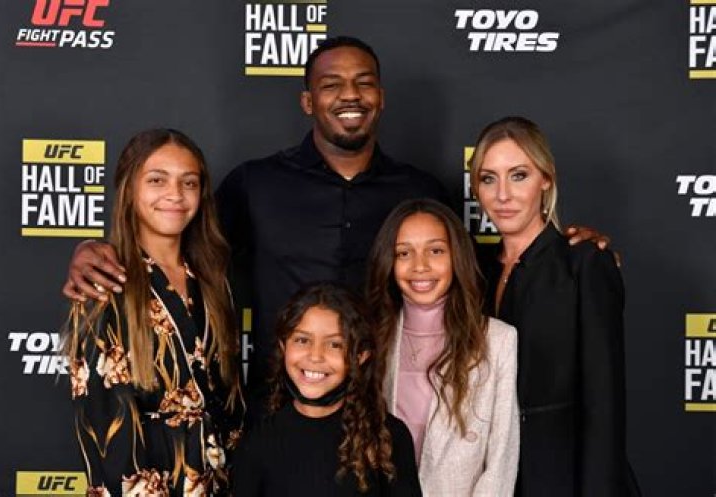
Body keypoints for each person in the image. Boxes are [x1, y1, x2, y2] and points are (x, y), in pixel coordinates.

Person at [61, 37, 448, 415]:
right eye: (332, 85)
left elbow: (458, 283)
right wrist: (94, 247)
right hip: (276, 409)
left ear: (380, 96)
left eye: (363, 83)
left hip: (386, 403)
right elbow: (179, 239)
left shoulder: (419, 191)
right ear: (308, 101)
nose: (350, 95)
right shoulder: (256, 183)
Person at [63, 129, 245, 496]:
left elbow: (231, 403)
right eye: (157, 180)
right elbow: (106, 429)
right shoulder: (103, 283)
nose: (175, 194)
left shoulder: (213, 281)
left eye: (188, 182)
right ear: (129, 190)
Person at [469, 116, 639, 496]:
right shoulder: (474, 273)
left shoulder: (584, 263)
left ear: (546, 179)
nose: (503, 195)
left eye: (519, 176)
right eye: (488, 178)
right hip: (494, 479)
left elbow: (604, 405)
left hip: (565, 478)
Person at [366, 198, 519, 496]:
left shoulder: (497, 340)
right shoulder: (372, 338)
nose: (420, 266)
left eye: (435, 251)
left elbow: (501, 460)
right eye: (404, 253)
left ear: (456, 256)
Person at [230, 282, 422, 496]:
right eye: (302, 340)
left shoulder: (388, 438)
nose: (315, 356)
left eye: (334, 345)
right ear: (284, 347)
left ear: (361, 356)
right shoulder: (258, 442)